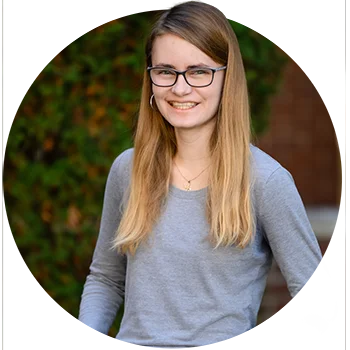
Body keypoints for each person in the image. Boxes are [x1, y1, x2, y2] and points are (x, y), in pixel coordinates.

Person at [73, 2, 338, 350]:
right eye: (165, 71)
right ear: (150, 77)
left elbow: (318, 300)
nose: (180, 89)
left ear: (227, 78)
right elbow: (106, 279)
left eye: (198, 71)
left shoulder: (265, 180)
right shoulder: (128, 168)